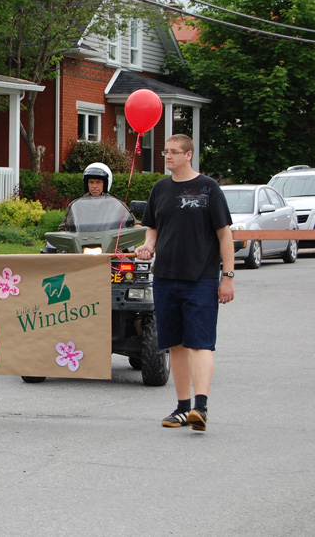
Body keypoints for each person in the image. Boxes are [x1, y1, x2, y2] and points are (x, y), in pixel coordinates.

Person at [135, 134, 234, 433]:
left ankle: (200, 407)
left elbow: (224, 235)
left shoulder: (209, 188)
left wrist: (227, 276)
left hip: (200, 278)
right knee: (174, 345)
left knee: (200, 343)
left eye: (174, 152)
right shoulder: (160, 189)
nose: (167, 157)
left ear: (189, 155)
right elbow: (152, 228)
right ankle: (182, 408)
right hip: (165, 277)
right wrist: (148, 246)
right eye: (166, 152)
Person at [58, 162, 114, 231]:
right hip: (83, 240)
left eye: (98, 182)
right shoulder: (77, 205)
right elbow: (63, 228)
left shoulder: (115, 205)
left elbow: (128, 226)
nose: (94, 186)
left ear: (105, 184)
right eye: (91, 182)